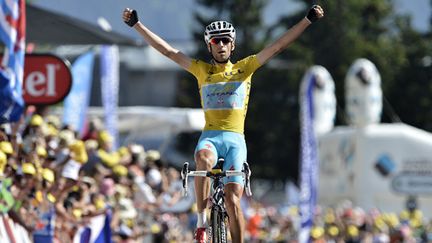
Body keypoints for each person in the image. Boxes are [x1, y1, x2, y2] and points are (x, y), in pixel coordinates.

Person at [123, 5, 324, 243]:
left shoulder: (245, 68)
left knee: (233, 200)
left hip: (235, 140)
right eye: (216, 41)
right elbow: (167, 51)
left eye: (225, 41)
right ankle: (201, 222)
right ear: (210, 45)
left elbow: (278, 46)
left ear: (232, 45)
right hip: (210, 137)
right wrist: (137, 24)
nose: (221, 45)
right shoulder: (202, 70)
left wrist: (307, 20)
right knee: (203, 160)